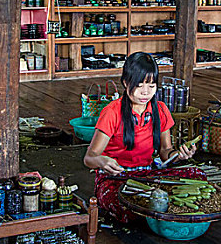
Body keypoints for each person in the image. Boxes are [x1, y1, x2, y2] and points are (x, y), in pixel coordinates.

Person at [84, 52, 202, 222]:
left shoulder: (160, 110)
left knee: (196, 175)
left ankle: (155, 209)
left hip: (147, 173)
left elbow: (165, 152)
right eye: (139, 86)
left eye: (151, 86)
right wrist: (102, 161)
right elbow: (89, 157)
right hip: (116, 177)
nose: (145, 93)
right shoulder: (112, 112)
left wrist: (179, 155)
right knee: (126, 205)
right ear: (126, 82)